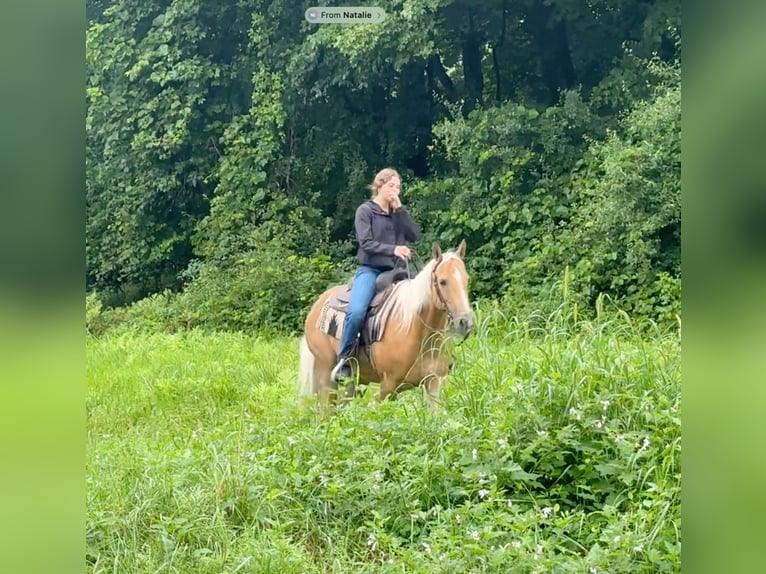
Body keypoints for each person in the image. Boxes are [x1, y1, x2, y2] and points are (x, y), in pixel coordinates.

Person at [330, 168, 420, 382]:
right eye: (391, 186)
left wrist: (401, 210)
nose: (395, 191)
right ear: (379, 185)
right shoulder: (366, 211)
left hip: (397, 271)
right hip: (370, 269)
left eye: (398, 187)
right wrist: (394, 249)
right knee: (358, 311)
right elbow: (366, 243)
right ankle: (345, 359)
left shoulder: (397, 214)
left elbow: (414, 235)